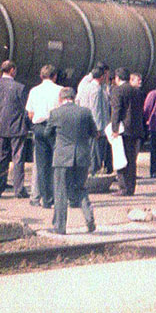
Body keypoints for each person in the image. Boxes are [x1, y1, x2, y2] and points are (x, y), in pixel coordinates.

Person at [46, 87, 96, 234]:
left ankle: (60, 227)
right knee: (80, 188)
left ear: (61, 99)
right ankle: (89, 217)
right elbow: (94, 132)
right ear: (74, 98)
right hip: (82, 156)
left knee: (60, 191)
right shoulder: (85, 112)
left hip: (62, 157)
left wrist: (56, 145)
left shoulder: (55, 113)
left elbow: (47, 133)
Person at [26, 64, 62, 208]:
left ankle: (44, 199)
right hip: (55, 128)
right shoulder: (60, 90)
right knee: (56, 164)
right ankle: (56, 197)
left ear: (41, 76)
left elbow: (30, 114)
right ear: (55, 76)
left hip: (39, 128)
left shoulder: (34, 91)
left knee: (41, 164)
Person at [109, 68, 144, 196]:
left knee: (121, 158)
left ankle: (123, 187)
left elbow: (116, 110)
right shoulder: (137, 91)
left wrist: (114, 129)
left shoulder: (118, 90)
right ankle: (131, 188)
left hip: (123, 130)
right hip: (136, 129)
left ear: (117, 78)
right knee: (131, 159)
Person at [0, 60, 30, 198]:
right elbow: (25, 108)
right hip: (17, 127)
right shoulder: (20, 87)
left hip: (1, 127)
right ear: (12, 70)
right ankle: (19, 190)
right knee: (18, 158)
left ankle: (1, 186)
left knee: (1, 157)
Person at [77, 65, 111, 174]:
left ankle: (91, 171)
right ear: (101, 77)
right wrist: (97, 128)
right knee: (96, 152)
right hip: (97, 126)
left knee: (91, 150)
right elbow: (96, 110)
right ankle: (94, 172)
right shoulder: (97, 90)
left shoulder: (86, 87)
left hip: (87, 123)